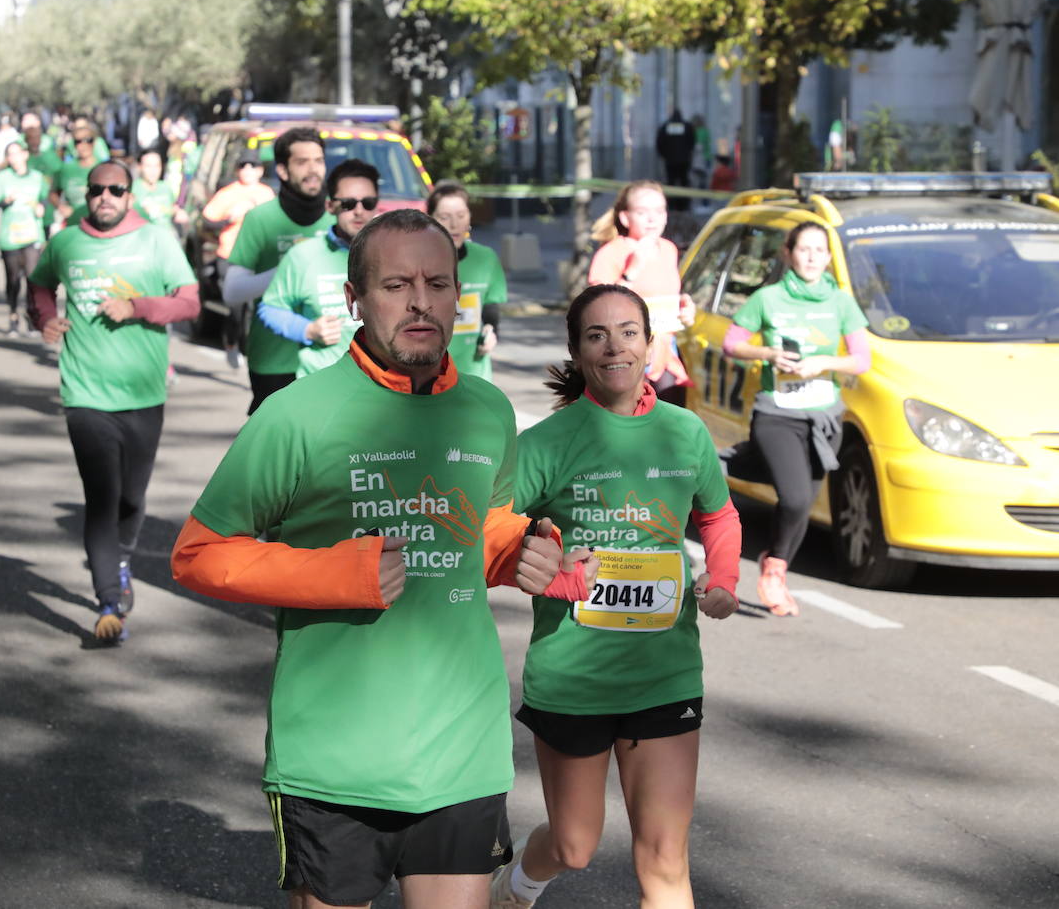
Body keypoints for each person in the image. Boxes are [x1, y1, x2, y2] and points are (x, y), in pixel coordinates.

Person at [172, 209, 568, 909]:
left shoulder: (489, 410)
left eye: (438, 283)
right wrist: (337, 573)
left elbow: (483, 528)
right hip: (334, 758)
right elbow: (198, 555)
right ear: (355, 300)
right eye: (396, 284)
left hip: (462, 748)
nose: (421, 301)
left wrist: (523, 552)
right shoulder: (296, 415)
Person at [489, 283, 742, 909]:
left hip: (665, 673)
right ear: (577, 351)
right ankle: (519, 884)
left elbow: (719, 515)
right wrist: (549, 566)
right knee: (575, 845)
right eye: (596, 335)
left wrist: (725, 580)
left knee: (664, 860)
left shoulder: (684, 433)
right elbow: (487, 528)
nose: (615, 347)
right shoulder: (549, 443)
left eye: (628, 332)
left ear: (649, 343)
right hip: (574, 676)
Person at [28, 160, 198, 642]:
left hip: (144, 392)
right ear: (88, 194)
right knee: (102, 496)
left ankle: (122, 555)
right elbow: (40, 283)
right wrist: (44, 316)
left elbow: (189, 302)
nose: (105, 196)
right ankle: (108, 602)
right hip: (84, 391)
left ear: (130, 195)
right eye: (97, 189)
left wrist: (138, 307)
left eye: (115, 189)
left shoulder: (156, 239)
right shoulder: (65, 242)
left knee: (131, 496)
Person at [721, 221, 870, 616]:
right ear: (788, 252)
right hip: (777, 412)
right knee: (796, 496)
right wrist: (769, 355)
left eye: (819, 251)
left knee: (803, 503)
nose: (811, 257)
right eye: (803, 249)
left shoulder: (840, 302)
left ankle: (777, 563)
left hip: (825, 417)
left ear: (828, 257)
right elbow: (732, 344)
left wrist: (824, 361)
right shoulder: (768, 298)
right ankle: (771, 571)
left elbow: (862, 359)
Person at [223, 127, 333, 413]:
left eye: (318, 160)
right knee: (278, 455)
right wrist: (290, 271)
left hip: (331, 357)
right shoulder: (261, 219)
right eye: (302, 162)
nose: (313, 170)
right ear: (282, 171)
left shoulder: (339, 218)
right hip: (273, 361)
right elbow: (232, 291)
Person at [257, 158, 378, 378]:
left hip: (382, 391)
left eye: (368, 203)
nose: (359, 211)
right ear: (330, 206)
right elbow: (270, 308)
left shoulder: (395, 255)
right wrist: (308, 330)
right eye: (348, 203)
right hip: (322, 386)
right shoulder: (303, 255)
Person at [589, 181, 694, 404]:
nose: (652, 219)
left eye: (659, 211)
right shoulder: (611, 253)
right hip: (622, 355)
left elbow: (665, 297)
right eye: (642, 212)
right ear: (626, 218)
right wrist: (631, 271)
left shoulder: (668, 249)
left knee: (668, 426)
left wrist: (684, 307)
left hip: (664, 352)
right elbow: (596, 308)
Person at [200, 149, 274, 367]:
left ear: (260, 171)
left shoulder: (267, 194)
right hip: (230, 255)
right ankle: (232, 343)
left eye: (253, 166)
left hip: (258, 256)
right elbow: (206, 221)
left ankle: (251, 346)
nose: (248, 170)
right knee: (236, 305)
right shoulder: (227, 193)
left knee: (260, 303)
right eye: (243, 166)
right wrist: (228, 219)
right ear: (237, 170)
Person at [428, 180, 508, 381]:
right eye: (444, 217)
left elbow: (490, 307)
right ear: (430, 220)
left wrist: (492, 332)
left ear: (469, 218)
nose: (454, 224)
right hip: (429, 377)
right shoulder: (416, 262)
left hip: (475, 375)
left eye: (461, 216)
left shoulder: (486, 258)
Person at [0, 140, 49, 336]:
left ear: (25, 154)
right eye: (10, 154)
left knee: (32, 277)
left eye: (17, 153)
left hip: (32, 235)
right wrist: (5, 202)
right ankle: (13, 315)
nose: (14, 158)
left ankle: (31, 318)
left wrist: (42, 208)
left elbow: (46, 201)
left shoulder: (37, 178)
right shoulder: (2, 178)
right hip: (10, 237)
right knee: (13, 280)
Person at [51, 130, 97, 232]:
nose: (83, 145)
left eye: (88, 140)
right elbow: (53, 193)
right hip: (73, 225)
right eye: (78, 141)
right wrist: (61, 206)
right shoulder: (66, 168)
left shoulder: (103, 168)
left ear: (94, 142)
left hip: (97, 225)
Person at [131, 149, 187, 231]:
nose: (153, 171)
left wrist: (179, 212)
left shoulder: (165, 187)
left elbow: (173, 207)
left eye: (157, 166)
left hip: (167, 235)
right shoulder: (133, 189)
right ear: (139, 167)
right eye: (148, 166)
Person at [655, 110, 695, 210]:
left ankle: (671, 204)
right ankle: (684, 204)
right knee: (684, 181)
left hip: (670, 160)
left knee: (670, 182)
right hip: (684, 161)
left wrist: (665, 155)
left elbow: (659, 143)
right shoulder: (687, 126)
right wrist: (687, 153)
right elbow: (692, 141)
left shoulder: (665, 127)